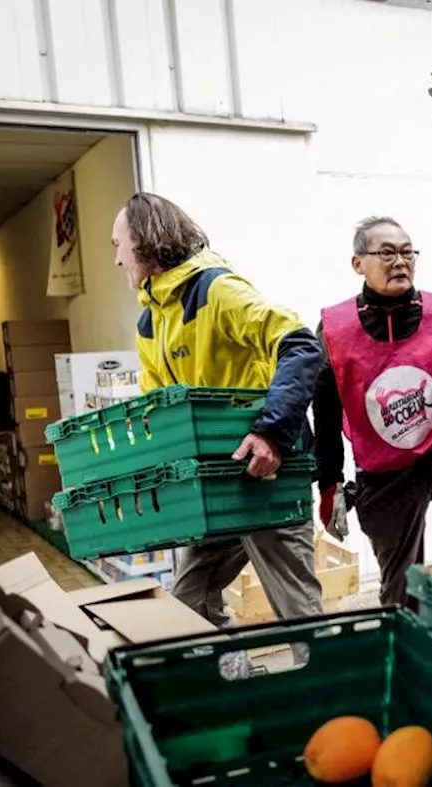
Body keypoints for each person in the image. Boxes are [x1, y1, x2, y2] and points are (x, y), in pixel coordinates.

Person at [112, 192, 324, 629]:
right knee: (189, 606)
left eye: (118, 244)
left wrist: (271, 434)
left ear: (146, 242)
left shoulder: (216, 290)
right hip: (215, 484)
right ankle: (228, 682)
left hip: (268, 474)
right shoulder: (150, 322)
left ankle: (335, 692)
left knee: (298, 613)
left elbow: (300, 344)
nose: (116, 260)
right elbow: (159, 412)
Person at [313, 216, 432, 605]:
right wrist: (329, 484)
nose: (400, 262)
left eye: (406, 252)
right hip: (383, 475)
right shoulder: (335, 328)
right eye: (386, 253)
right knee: (400, 597)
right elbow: (326, 412)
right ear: (357, 263)